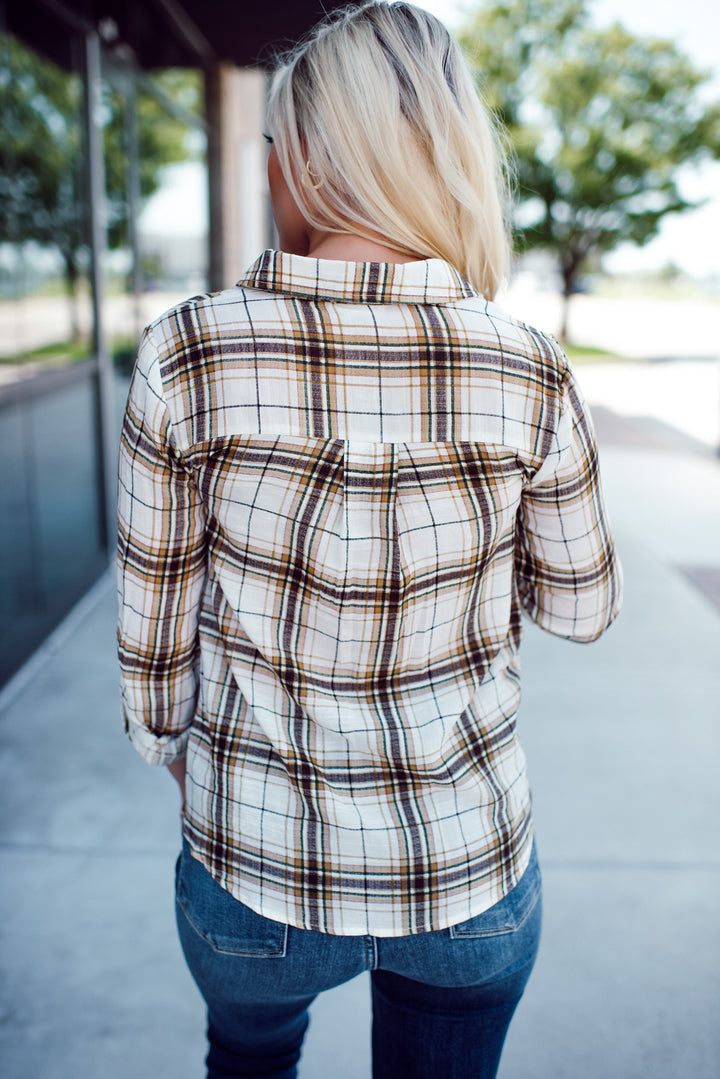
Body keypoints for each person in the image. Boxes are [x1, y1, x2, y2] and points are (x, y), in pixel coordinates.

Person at [116, 3, 622, 1077]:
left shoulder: (189, 353)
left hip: (250, 872)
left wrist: (189, 761)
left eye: (269, 146)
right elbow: (581, 610)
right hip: (466, 868)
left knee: (246, 1059)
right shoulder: (526, 366)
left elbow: (153, 656)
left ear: (302, 156)